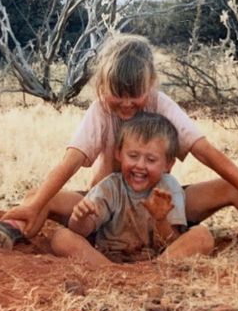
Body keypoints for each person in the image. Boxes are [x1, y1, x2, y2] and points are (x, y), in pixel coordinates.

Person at [1, 33, 238, 239]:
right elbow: (71, 161)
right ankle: (9, 231)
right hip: (106, 208)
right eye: (118, 95)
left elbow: (204, 150)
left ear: (151, 84)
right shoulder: (100, 109)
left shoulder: (161, 104)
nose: (127, 104)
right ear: (102, 88)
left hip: (161, 206)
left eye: (136, 95)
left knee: (233, 188)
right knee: (36, 199)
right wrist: (34, 205)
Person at [50, 112, 214, 267]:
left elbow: (171, 242)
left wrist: (161, 220)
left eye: (151, 159)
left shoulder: (169, 188)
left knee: (202, 236)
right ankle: (111, 271)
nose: (140, 166)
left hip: (157, 258)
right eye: (133, 156)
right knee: (62, 238)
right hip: (108, 257)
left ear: (168, 164)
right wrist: (80, 218)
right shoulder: (110, 186)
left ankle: (150, 270)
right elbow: (82, 231)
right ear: (119, 154)